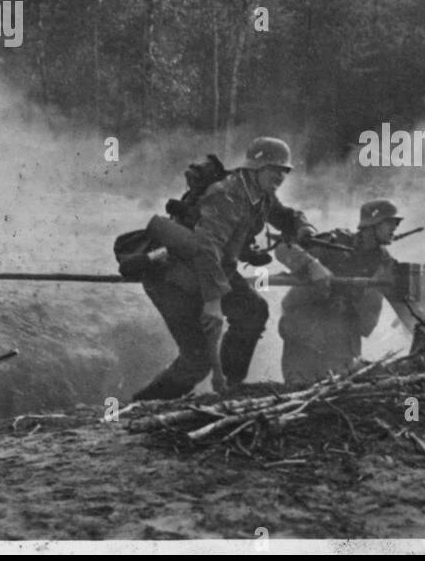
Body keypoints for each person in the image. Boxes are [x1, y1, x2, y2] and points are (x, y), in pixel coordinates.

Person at [133, 136, 315, 401]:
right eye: (274, 169)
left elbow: (284, 216)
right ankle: (141, 407)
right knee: (196, 361)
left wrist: (303, 227)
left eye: (284, 171)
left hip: (214, 270)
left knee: (253, 312)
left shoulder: (262, 196)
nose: (280, 176)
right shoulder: (226, 194)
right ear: (256, 167)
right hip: (174, 276)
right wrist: (213, 303)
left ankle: (231, 387)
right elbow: (206, 249)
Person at [277, 199, 419, 386]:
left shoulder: (384, 261)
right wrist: (312, 265)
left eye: (396, 224)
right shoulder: (334, 243)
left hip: (342, 337)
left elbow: (406, 309)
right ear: (371, 225)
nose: (394, 228)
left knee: (342, 387)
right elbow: (283, 248)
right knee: (300, 385)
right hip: (305, 330)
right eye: (389, 223)